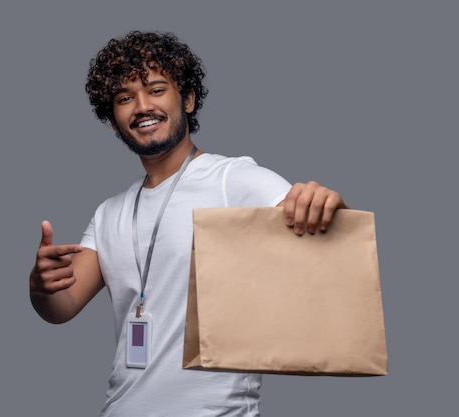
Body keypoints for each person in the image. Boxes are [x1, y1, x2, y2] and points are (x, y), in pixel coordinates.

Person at [30, 31, 347, 416]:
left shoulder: (232, 180)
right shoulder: (109, 213)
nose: (142, 106)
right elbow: (61, 306)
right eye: (125, 98)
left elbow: (318, 228)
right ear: (114, 122)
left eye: (157, 90)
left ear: (189, 99)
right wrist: (41, 286)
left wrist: (325, 204)